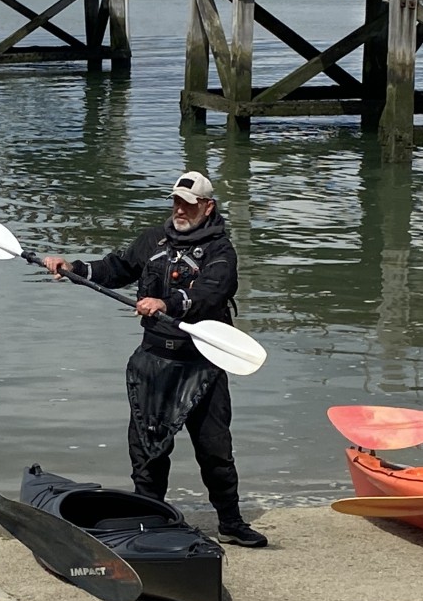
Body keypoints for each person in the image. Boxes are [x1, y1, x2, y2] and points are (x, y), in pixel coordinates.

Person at [40, 171, 266, 548]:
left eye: (188, 205)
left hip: (202, 365)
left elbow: (210, 294)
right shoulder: (154, 240)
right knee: (147, 450)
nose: (180, 209)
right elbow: (116, 268)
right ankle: (149, 521)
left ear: (207, 207)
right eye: (176, 201)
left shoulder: (220, 252)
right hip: (154, 362)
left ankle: (230, 521)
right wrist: (75, 269)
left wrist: (167, 303)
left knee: (215, 449)